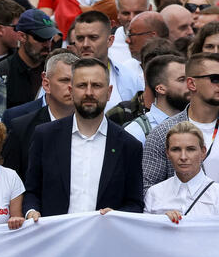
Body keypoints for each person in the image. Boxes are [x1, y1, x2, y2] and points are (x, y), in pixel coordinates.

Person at [23, 58, 145, 218]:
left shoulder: (129, 145)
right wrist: (31, 212)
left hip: (104, 238)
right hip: (55, 238)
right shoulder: (45, 136)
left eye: (96, 85)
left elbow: (135, 203)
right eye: (82, 85)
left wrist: (117, 215)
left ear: (109, 92)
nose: (89, 92)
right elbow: (32, 192)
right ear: (71, 90)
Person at [142, 53, 219, 192]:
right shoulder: (163, 133)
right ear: (191, 83)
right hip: (181, 212)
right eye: (215, 78)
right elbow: (147, 189)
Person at [2, 52, 80, 180]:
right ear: (46, 84)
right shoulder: (21, 128)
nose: (71, 87)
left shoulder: (93, 126)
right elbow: (10, 182)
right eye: (64, 80)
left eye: (77, 81)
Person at [145, 122, 219, 219]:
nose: (183, 157)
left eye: (190, 149)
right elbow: (146, 231)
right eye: (176, 149)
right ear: (167, 153)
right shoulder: (154, 193)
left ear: (203, 152)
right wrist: (162, 222)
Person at [0, 10, 57, 109]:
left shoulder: (55, 70)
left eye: (50, 38)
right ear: (22, 36)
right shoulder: (0, 74)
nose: (47, 44)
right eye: (40, 38)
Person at [122, 55, 189, 144]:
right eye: (182, 80)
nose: (190, 85)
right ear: (160, 89)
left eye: (190, 79)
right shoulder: (136, 132)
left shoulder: (199, 123)